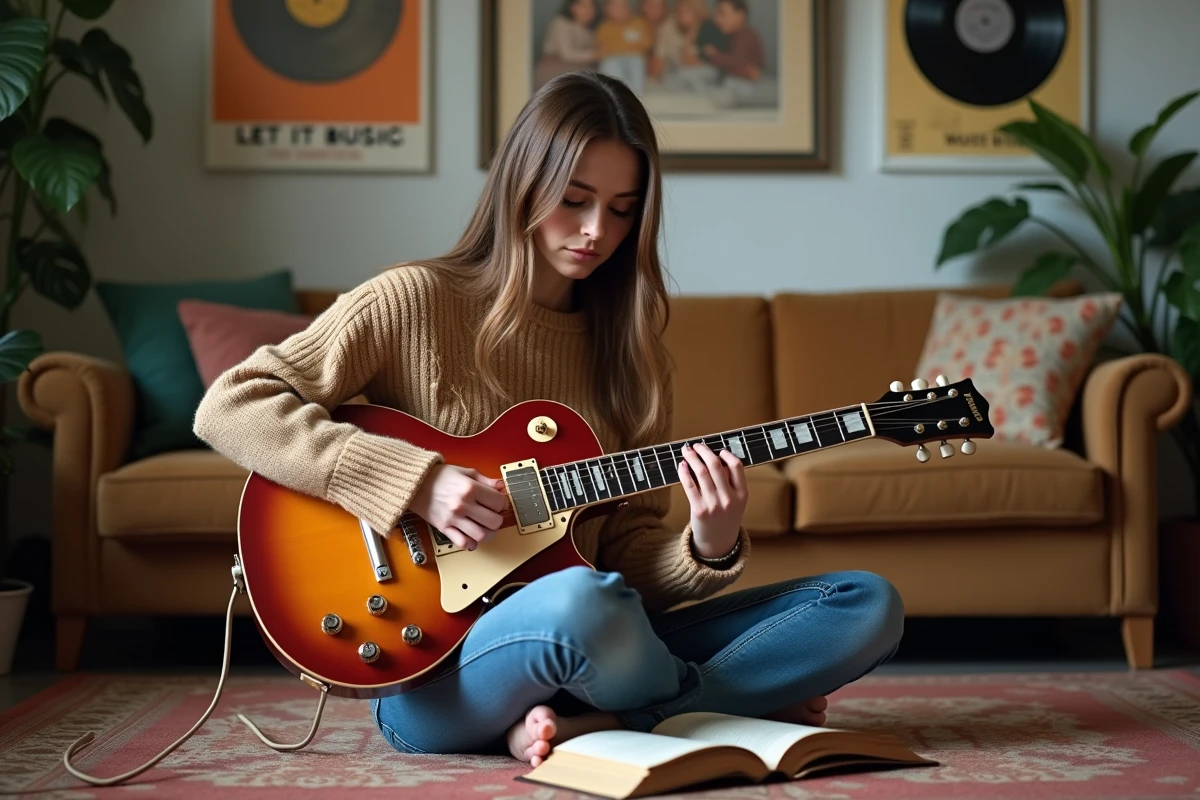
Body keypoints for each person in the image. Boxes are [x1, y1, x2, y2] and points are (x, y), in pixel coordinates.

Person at [192, 71, 903, 767]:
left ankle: (605, 717)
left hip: (606, 636)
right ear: (522, 186)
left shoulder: (632, 358)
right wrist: (416, 484)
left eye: (624, 209)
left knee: (865, 604)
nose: (598, 230)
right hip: (438, 675)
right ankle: (707, 705)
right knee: (580, 605)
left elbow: (627, 562)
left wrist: (706, 546)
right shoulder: (412, 302)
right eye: (575, 199)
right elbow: (231, 403)